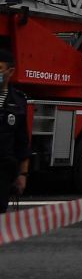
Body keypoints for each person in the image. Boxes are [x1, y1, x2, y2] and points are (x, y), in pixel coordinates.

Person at [0, 45, 29, 211]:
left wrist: (22, 174)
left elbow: (22, 141)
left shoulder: (18, 102)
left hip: (3, 172)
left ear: (10, 72)